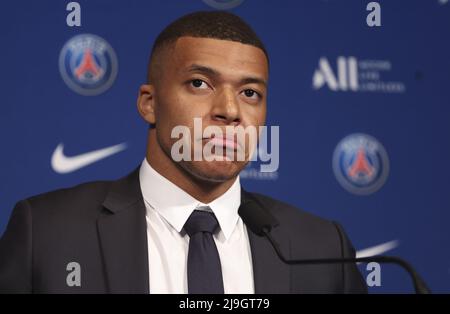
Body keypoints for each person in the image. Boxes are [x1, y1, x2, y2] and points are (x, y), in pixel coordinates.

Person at [0, 11, 367, 294]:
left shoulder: (320, 248)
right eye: (200, 84)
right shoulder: (47, 231)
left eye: (250, 93)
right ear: (149, 104)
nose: (229, 110)